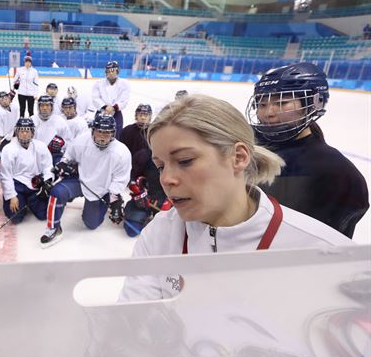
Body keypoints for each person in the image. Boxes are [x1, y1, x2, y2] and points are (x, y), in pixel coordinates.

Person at [118, 94, 354, 302]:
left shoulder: (323, 253)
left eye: (185, 161)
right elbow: (132, 328)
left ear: (239, 157)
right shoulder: (158, 235)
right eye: (160, 166)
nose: (166, 179)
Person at [246, 62, 369, 238]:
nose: (268, 113)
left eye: (282, 102)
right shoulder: (245, 142)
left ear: (314, 103)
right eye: (262, 104)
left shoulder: (337, 172)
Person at [41, 114, 131, 248]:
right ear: (93, 130)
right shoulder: (82, 140)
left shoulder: (122, 152)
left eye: (107, 133)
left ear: (113, 134)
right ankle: (53, 228)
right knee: (57, 192)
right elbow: (68, 156)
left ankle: (101, 204)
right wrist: (63, 165)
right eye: (99, 131)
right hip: (79, 180)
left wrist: (114, 199)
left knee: (91, 224)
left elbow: (120, 179)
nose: (102, 136)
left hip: (101, 189)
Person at [0, 118, 54, 224]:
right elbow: (5, 175)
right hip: (17, 185)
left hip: (34, 185)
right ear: (17, 132)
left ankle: (30, 201)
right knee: (15, 218)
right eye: (21, 131)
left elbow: (48, 167)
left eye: (27, 131)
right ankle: (21, 200)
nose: (24, 134)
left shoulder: (40, 146)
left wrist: (47, 182)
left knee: (43, 214)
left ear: (32, 133)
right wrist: (12, 196)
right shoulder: (8, 149)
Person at [92, 61, 130, 139]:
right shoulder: (98, 83)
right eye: (109, 71)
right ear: (106, 72)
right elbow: (95, 98)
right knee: (98, 135)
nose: (111, 73)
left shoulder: (124, 84)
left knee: (116, 135)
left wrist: (114, 107)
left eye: (113, 71)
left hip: (116, 113)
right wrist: (105, 106)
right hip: (101, 112)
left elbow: (124, 100)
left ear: (117, 71)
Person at [32, 95, 70, 164]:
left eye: (47, 105)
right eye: (42, 105)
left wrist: (62, 144)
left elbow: (69, 143)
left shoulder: (60, 121)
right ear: (38, 107)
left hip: (55, 155)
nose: (45, 108)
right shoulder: (32, 120)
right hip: (35, 156)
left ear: (52, 107)